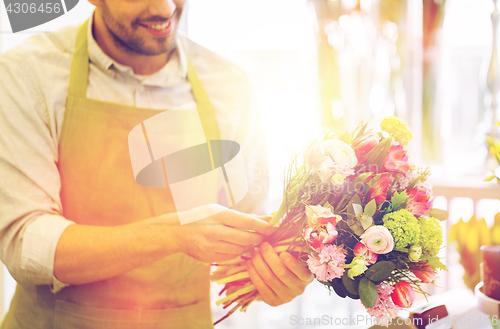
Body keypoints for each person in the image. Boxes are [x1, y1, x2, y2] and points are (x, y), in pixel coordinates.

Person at [0, 0, 313, 328]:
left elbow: (246, 230)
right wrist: (174, 233)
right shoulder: (28, 74)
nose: (165, 8)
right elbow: (26, 242)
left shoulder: (230, 85)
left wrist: (272, 277)